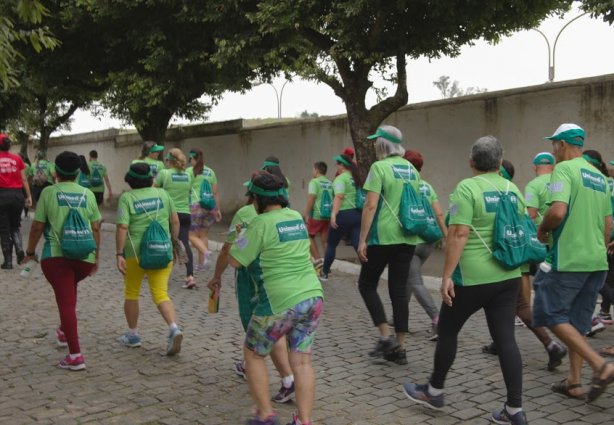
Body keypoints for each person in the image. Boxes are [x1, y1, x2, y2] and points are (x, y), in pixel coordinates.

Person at [403, 136, 528, 424]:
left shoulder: (467, 188)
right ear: (499, 162)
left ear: (471, 162)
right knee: (506, 339)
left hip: (473, 278)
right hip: (508, 275)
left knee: (447, 331)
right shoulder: (513, 189)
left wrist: (447, 275)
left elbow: (458, 234)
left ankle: (434, 391)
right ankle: (514, 409)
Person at [229, 172, 323, 425]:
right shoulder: (295, 217)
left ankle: (265, 414)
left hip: (279, 300)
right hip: (312, 297)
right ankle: (303, 421)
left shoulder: (260, 224)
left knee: (253, 354)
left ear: (257, 199)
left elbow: (235, 260)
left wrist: (241, 234)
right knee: (302, 361)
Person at [533, 123, 613, 403]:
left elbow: (557, 211)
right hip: (597, 260)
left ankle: (600, 366)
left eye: (555, 145)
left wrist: (542, 230)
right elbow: (608, 223)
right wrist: (599, 249)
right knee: (578, 322)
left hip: (570, 257)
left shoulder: (564, 169)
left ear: (563, 145)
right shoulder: (600, 177)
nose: (553, 150)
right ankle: (574, 383)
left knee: (549, 313)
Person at [207, 182, 295, 404]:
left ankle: (286, 379)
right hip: (283, 279)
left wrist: (217, 276)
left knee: (262, 327)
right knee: (273, 326)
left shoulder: (247, 215)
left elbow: (230, 252)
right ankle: (251, 365)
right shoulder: (289, 214)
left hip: (253, 279)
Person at [482, 155, 568, 372]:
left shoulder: (494, 191)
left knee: (516, 305)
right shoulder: (516, 193)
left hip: (506, 257)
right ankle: (502, 343)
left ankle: (551, 345)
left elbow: (527, 217)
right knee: (513, 304)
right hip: (526, 250)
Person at [21, 151, 101, 371]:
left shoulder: (48, 193)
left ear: (55, 171)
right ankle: (65, 330)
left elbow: (37, 226)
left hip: (57, 258)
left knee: (65, 303)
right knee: (70, 292)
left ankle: (75, 355)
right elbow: (96, 227)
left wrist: (29, 251)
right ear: (78, 172)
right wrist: (96, 257)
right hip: (84, 257)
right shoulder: (88, 194)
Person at [356, 126, 420, 366]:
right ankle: (400, 348)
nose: (373, 145)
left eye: (376, 142)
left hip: (383, 236)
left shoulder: (378, 168)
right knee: (399, 291)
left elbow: (370, 205)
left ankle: (385, 337)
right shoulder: (412, 169)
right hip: (408, 236)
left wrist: (362, 239)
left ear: (383, 144)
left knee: (366, 284)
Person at [115, 163, 183, 355]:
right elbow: (175, 221)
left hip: (135, 254)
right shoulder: (163, 194)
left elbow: (122, 227)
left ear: (130, 179)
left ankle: (133, 335)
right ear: (151, 178)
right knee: (161, 293)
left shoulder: (127, 198)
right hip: (162, 250)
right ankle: (173, 328)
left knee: (132, 292)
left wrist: (119, 253)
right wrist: (174, 242)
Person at [402, 150, 446, 341]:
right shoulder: (427, 186)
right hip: (429, 240)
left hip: (412, 240)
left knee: (415, 282)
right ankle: (399, 317)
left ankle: (437, 319)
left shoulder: (404, 185)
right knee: (408, 280)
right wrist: (445, 235)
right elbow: (438, 213)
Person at [320, 153, 362, 282]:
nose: (336, 166)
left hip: (343, 215)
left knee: (332, 244)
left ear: (342, 165)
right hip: (357, 215)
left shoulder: (340, 179)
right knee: (357, 244)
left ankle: (325, 273)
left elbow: (339, 196)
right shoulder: (356, 178)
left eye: (337, 163)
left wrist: (333, 214)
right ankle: (367, 274)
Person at [155, 148, 194, 288]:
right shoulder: (188, 175)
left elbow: (153, 190)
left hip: (169, 214)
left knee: (166, 242)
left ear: (169, 161)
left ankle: (162, 275)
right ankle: (190, 276)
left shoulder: (164, 174)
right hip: (185, 214)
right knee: (184, 243)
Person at [0, 133, 32, 269]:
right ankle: (19, 247)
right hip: (17, 195)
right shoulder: (17, 159)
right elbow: (24, 179)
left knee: (4, 228)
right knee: (15, 225)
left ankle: (8, 262)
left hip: (2, 195)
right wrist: (28, 196)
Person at [187, 149, 221, 270]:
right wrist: (217, 209)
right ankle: (202, 263)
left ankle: (206, 252)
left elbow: (186, 189)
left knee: (192, 235)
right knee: (204, 235)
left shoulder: (189, 172)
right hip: (209, 207)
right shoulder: (210, 171)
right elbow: (215, 192)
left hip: (195, 207)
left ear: (192, 158)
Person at [304, 161, 332, 268]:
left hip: (316, 215)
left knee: (309, 236)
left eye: (313, 169)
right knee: (325, 240)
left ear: (316, 170)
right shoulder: (330, 183)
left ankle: (318, 260)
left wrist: (307, 214)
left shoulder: (314, 182)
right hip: (328, 215)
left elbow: (311, 197)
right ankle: (327, 265)